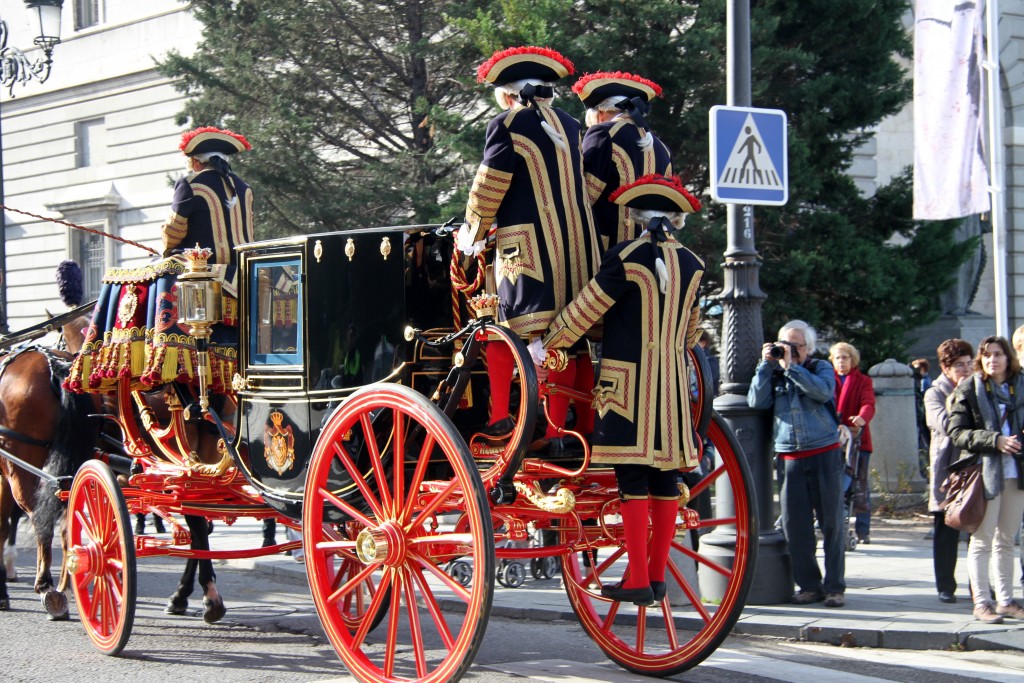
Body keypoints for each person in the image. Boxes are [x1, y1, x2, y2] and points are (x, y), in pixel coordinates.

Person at [542, 174, 704, 605]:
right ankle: (654, 576)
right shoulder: (692, 263)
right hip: (670, 389)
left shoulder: (625, 257)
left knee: (631, 477)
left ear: (634, 215)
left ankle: (636, 577)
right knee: (664, 477)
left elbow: (585, 309)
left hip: (627, 387)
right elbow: (691, 334)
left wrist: (547, 341)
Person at [462, 46, 602, 450]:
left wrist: (471, 235)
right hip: (578, 252)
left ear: (507, 95)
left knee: (501, 326)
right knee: (571, 339)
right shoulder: (573, 126)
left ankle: (501, 420)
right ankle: (567, 432)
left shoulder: (507, 124)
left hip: (528, 254)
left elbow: (489, 186)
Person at [748, 320, 845, 607]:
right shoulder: (774, 373)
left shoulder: (819, 368)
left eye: (794, 345)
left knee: (832, 524)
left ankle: (835, 587)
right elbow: (756, 402)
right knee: (795, 526)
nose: (787, 350)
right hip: (789, 455)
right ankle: (809, 586)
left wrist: (792, 368)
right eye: (783, 344)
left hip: (823, 451)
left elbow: (823, 392)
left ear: (808, 348)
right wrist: (765, 366)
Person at [947, 335, 1024, 624]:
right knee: (982, 540)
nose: (993, 360)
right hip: (984, 473)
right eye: (987, 355)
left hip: (1016, 472)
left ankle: (1005, 600)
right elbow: (957, 432)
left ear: (1008, 358)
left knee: (1007, 539)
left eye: (998, 354)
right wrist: (995, 440)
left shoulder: (1021, 385)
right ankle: (982, 601)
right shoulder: (971, 387)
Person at [572, 71, 673, 250]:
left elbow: (584, 195)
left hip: (607, 252)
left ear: (600, 113)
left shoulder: (603, 133)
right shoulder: (662, 148)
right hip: (650, 252)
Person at [924, 338, 974, 604]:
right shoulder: (934, 393)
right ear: (945, 368)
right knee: (946, 529)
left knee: (977, 529)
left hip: (975, 468)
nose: (966, 370)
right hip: (949, 471)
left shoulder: (979, 388)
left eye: (969, 364)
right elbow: (946, 425)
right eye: (959, 365)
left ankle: (978, 585)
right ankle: (945, 585)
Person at [829, 342, 876, 544]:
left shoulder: (862, 380)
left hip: (857, 439)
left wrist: (862, 417)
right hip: (830, 439)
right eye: (838, 358)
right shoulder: (827, 378)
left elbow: (868, 403)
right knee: (835, 483)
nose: (841, 361)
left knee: (860, 484)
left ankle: (863, 530)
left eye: (845, 357)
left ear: (852, 359)